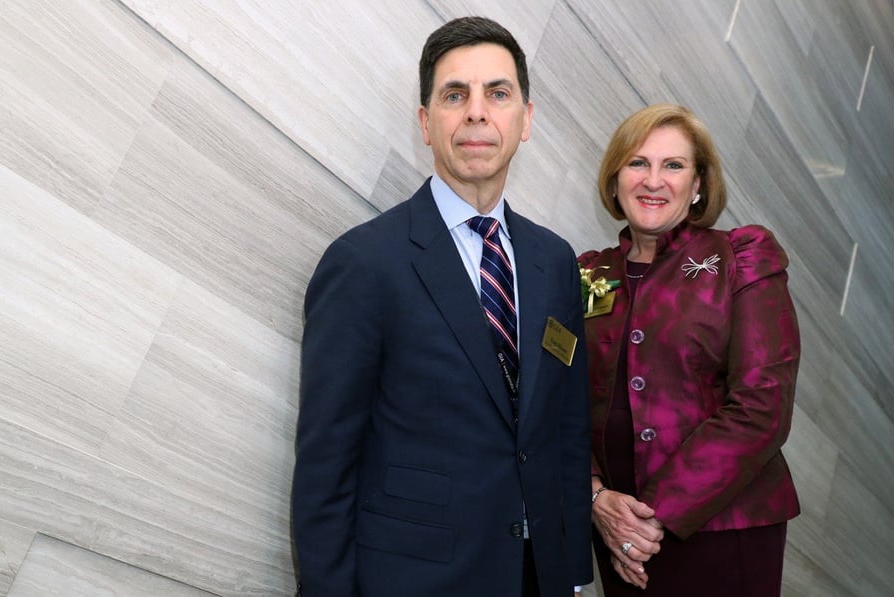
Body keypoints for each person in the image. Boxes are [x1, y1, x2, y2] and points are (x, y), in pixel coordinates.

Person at [291, 16, 592, 597]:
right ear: (427, 124)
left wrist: (573, 574)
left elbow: (566, 429)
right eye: (456, 95)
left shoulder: (554, 262)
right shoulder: (364, 263)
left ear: (525, 120)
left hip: (538, 576)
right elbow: (326, 467)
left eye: (497, 93)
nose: (477, 112)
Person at [578, 103, 801, 596]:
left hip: (724, 532)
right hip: (617, 534)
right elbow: (553, 403)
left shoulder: (742, 257)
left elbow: (763, 405)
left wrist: (651, 519)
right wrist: (596, 500)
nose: (653, 180)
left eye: (673, 165)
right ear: (615, 181)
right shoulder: (586, 274)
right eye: (637, 163)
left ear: (698, 184)